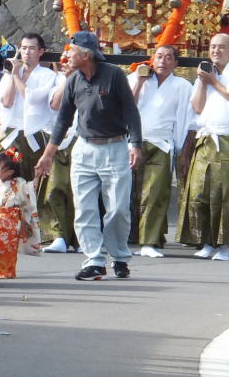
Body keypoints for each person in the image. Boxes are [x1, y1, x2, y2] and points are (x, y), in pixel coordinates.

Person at [34, 32, 142, 281]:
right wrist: (48, 155)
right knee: (84, 208)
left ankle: (119, 256)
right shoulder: (73, 80)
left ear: (85, 54)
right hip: (83, 148)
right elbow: (62, 121)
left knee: (117, 209)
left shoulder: (113, 75)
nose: (66, 55)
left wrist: (135, 144)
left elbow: (130, 111)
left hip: (115, 147)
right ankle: (93, 259)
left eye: (71, 51)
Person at [128, 46, 193, 258]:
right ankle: (132, 237)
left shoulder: (182, 86)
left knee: (154, 193)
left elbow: (184, 119)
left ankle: (151, 241)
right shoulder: (138, 78)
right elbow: (127, 107)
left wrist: (182, 151)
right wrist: (139, 82)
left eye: (168, 58)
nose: (163, 61)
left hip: (162, 144)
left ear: (175, 63)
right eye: (159, 56)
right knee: (130, 194)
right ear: (152, 59)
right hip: (134, 142)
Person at [178, 33, 229, 260]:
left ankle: (225, 244)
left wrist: (213, 82)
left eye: (221, 47)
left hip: (225, 140)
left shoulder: (218, 77)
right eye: (212, 47)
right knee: (201, 193)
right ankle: (207, 241)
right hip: (205, 139)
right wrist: (202, 80)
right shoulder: (206, 74)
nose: (216, 51)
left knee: (224, 195)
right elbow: (197, 108)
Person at [0, 33, 57, 181]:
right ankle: (6, 204)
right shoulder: (12, 72)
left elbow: (31, 99)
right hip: (11, 136)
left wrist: (16, 77)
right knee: (6, 176)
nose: (27, 52)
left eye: (32, 48)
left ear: (41, 51)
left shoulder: (47, 75)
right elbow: (7, 102)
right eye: (23, 48)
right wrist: (12, 74)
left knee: (28, 180)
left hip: (32, 135)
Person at [41, 62, 80, 253]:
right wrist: (68, 78)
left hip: (84, 137)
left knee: (80, 191)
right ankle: (59, 235)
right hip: (59, 137)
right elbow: (56, 104)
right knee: (55, 188)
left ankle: (80, 238)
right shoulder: (55, 80)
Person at [0, 150, 41, 278]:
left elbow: (30, 190)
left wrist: (37, 177)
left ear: (10, 172)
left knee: (7, 247)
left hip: (11, 220)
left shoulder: (18, 183)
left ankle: (6, 271)